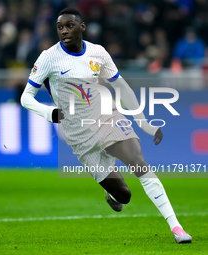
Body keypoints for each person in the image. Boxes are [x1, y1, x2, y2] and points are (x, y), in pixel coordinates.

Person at [21, 8, 192, 243]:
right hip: (77, 131)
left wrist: (143, 122)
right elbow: (26, 97)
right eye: (60, 27)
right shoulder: (48, 57)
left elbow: (121, 86)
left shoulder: (98, 53)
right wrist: (49, 112)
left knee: (138, 161)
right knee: (124, 196)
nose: (64, 31)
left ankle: (176, 227)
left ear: (82, 27)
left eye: (69, 26)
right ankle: (110, 191)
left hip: (106, 115)